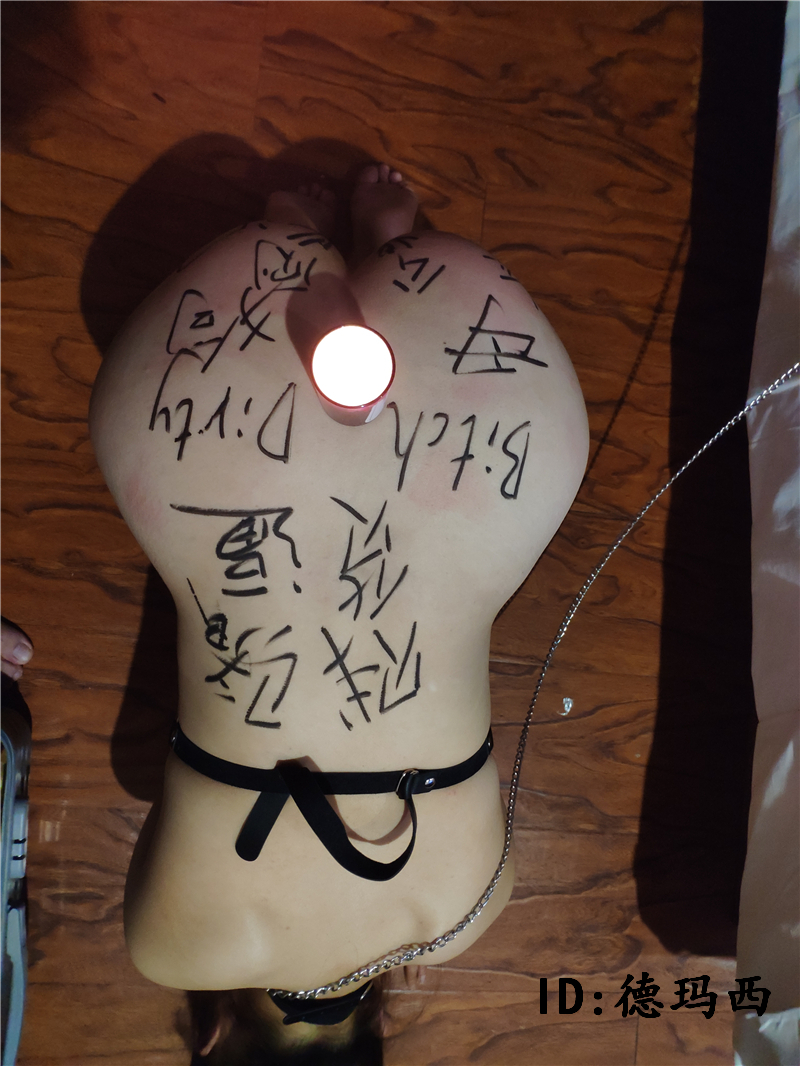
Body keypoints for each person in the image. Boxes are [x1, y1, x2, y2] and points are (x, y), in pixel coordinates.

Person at [89, 164, 588, 1060]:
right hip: (210, 384)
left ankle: (397, 242)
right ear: (213, 1038)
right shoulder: (168, 950)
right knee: (277, 261)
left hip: (489, 417)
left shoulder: (469, 916)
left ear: (378, 1030)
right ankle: (290, 228)